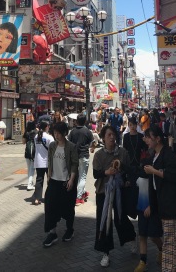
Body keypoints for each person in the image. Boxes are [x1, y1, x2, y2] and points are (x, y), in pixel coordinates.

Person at [144, 125, 176, 272]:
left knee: (170, 243)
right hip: (164, 204)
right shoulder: (155, 156)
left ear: (157, 139)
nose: (146, 140)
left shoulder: (168, 155)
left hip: (172, 205)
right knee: (174, 241)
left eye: (149, 137)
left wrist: (155, 171)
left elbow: (175, 174)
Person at [93, 125, 136, 268]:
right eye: (109, 135)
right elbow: (95, 174)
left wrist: (126, 177)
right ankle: (106, 253)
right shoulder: (99, 155)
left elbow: (129, 170)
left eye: (113, 135)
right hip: (103, 193)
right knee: (104, 221)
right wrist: (106, 172)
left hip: (120, 191)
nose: (112, 137)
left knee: (121, 218)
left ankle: (131, 239)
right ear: (103, 138)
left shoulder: (122, 152)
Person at [43, 122, 78, 247]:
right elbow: (50, 161)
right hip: (54, 181)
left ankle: (70, 229)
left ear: (64, 133)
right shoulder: (52, 146)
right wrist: (49, 175)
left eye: (58, 133)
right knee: (50, 206)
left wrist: (71, 180)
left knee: (68, 207)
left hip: (66, 182)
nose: (56, 135)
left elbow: (74, 164)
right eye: (54, 133)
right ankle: (52, 233)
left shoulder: (71, 147)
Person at [134, 155, 163, 272]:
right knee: (142, 236)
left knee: (154, 236)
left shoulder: (155, 180)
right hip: (141, 210)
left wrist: (151, 206)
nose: (144, 170)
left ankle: (162, 249)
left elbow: (159, 196)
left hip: (153, 211)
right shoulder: (139, 179)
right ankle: (142, 261)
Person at [68, 113, 95, 205]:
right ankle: (79, 197)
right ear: (85, 121)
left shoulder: (72, 131)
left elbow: (68, 143)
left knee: (78, 176)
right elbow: (93, 142)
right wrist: (92, 148)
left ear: (76, 121)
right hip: (84, 156)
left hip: (74, 156)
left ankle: (82, 192)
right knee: (82, 177)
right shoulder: (87, 131)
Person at [32, 121, 54, 205]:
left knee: (39, 179)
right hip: (48, 162)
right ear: (47, 127)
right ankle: (50, 197)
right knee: (50, 180)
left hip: (38, 161)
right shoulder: (49, 137)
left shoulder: (36, 136)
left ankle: (37, 198)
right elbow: (52, 149)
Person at [22, 120, 37, 191]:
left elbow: (23, 142)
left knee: (29, 169)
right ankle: (29, 184)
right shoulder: (36, 132)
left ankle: (30, 182)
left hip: (27, 152)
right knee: (32, 169)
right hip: (34, 152)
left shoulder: (26, 132)